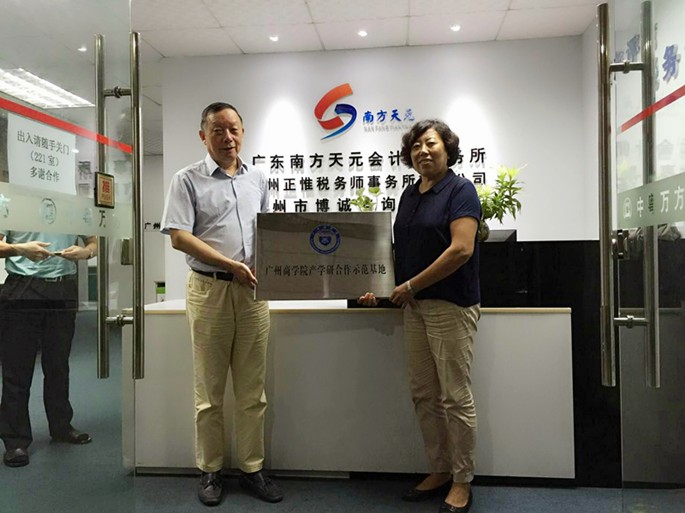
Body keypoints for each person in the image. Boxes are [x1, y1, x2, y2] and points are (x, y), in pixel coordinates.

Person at [161, 102, 282, 507]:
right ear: (203, 136)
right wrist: (230, 264)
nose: (227, 138)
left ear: (242, 133)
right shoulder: (187, 179)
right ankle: (210, 469)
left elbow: (270, 231)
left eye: (233, 130)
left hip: (252, 294)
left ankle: (251, 468)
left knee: (252, 390)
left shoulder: (258, 179)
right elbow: (179, 237)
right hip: (209, 290)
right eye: (218, 131)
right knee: (209, 391)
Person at [358, 119, 481, 513]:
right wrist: (380, 289)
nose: (422, 151)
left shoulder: (460, 190)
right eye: (415, 146)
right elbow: (399, 254)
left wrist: (411, 285)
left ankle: (462, 480)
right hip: (415, 309)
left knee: (455, 396)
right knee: (424, 395)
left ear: (447, 148)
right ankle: (440, 469)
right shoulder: (409, 195)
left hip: (450, 306)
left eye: (430, 143)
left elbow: (461, 250)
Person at [0, 231, 97, 468]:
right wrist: (20, 249)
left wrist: (86, 253)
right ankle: (15, 440)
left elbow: (93, 241)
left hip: (63, 288)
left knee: (58, 365)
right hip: (22, 287)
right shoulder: (10, 207)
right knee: (17, 368)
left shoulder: (73, 209)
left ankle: (61, 426)